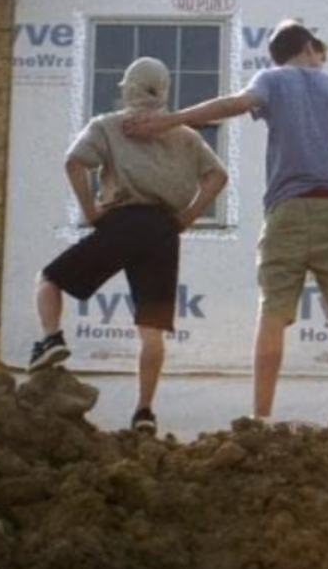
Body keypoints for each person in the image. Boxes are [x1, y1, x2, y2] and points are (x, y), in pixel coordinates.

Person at [125, 20, 328, 423]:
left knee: (272, 314)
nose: (321, 58)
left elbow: (234, 104)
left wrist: (168, 120)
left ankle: (261, 422)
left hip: (285, 211)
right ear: (309, 47)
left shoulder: (271, 79)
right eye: (319, 51)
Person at [28, 57, 228, 434]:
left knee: (49, 279)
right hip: (164, 230)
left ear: (129, 87)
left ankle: (51, 338)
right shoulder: (184, 133)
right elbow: (218, 175)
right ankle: (144, 413)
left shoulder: (108, 125)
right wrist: (188, 216)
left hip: (123, 220)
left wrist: (90, 211)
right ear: (163, 89)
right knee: (151, 329)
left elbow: (74, 162)